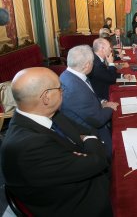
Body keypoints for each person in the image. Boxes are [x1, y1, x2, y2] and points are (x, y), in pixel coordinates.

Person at [0, 67, 112, 217]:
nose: (63, 92)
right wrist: (90, 141)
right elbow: (98, 160)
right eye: (60, 88)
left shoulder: (48, 113)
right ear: (46, 97)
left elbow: (86, 132)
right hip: (78, 203)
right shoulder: (28, 146)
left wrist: (87, 142)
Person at [60, 45, 119, 158]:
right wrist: (110, 107)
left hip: (86, 119)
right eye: (92, 62)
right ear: (87, 65)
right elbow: (98, 120)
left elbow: (90, 96)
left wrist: (102, 102)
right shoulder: (75, 88)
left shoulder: (68, 75)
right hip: (92, 135)